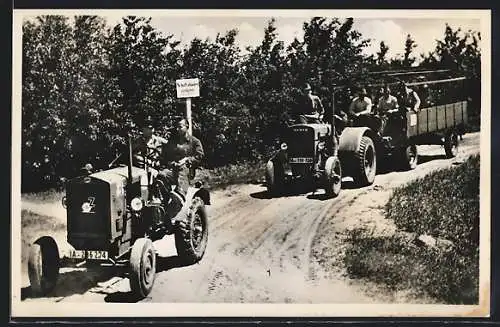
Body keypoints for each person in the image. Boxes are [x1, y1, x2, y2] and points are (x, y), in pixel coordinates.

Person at [158, 118, 204, 197]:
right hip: (172, 170)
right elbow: (165, 156)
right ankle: (166, 196)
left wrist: (186, 160)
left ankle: (180, 194)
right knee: (161, 174)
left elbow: (199, 155)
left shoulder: (194, 141)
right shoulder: (172, 142)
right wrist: (170, 162)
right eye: (176, 127)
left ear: (187, 126)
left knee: (182, 169)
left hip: (188, 171)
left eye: (180, 127)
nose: (177, 129)